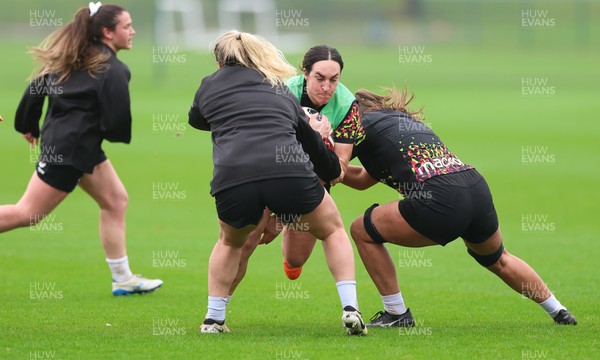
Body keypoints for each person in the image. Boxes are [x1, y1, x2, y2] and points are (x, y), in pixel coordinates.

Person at [343, 87, 577, 326]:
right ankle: (559, 311)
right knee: (500, 260)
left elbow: (332, 165)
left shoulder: (359, 125)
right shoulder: (396, 121)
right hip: (474, 187)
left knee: (362, 230)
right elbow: (362, 179)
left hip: (440, 197)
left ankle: (396, 314)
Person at [188, 30, 366, 335]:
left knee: (230, 242)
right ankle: (350, 309)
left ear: (220, 62)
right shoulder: (278, 87)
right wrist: (332, 168)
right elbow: (308, 138)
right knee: (333, 229)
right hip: (290, 173)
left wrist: (227, 119)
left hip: (233, 177)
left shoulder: (209, 85)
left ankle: (213, 319)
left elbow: (196, 119)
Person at [1, 3, 163, 296]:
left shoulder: (72, 57)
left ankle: (122, 278)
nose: (133, 31)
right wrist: (108, 129)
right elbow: (116, 125)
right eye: (126, 26)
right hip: (68, 154)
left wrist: (28, 123)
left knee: (115, 200)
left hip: (77, 148)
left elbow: (36, 87)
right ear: (107, 32)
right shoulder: (113, 69)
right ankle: (122, 277)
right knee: (27, 213)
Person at [226, 45, 365, 296]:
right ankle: (217, 310)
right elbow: (259, 147)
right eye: (319, 78)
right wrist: (269, 211)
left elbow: (340, 169)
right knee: (247, 240)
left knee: (296, 259)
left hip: (311, 181)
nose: (326, 87)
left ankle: (289, 222)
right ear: (305, 73)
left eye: (334, 80)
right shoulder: (281, 93)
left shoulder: (347, 106)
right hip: (265, 172)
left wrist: (282, 215)